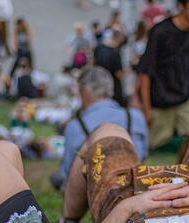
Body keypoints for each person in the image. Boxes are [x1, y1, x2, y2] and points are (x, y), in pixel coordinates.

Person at [55, 65, 148, 209]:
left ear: (83, 92)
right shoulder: (135, 117)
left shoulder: (75, 126)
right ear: (109, 89)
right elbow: (143, 155)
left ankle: (68, 221)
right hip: (135, 189)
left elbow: (67, 171)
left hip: (96, 195)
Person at [138, 0, 189, 150]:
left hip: (186, 97)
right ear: (181, 6)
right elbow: (144, 72)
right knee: (150, 146)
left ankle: (182, 173)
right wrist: (146, 108)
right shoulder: (160, 32)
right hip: (160, 100)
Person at [93, 29, 127, 105]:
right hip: (113, 87)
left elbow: (93, 64)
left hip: (99, 85)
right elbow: (118, 74)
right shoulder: (115, 52)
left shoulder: (99, 47)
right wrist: (126, 71)